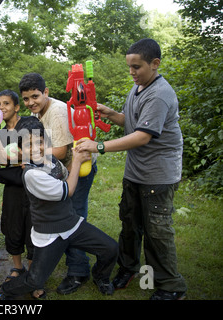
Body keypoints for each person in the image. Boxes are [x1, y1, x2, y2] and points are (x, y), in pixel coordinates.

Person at [76, 38, 187, 300]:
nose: (132, 72)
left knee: (157, 232)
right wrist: (111, 113)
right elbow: (134, 122)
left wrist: (98, 146)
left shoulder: (160, 93)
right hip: (135, 173)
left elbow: (142, 136)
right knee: (130, 224)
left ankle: (171, 287)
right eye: (129, 67)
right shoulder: (138, 87)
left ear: (155, 63)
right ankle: (128, 269)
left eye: (136, 67)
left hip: (158, 176)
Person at [0, 120, 118, 299]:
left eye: (40, 141)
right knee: (35, 281)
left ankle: (101, 277)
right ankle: (5, 290)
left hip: (71, 223)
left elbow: (66, 175)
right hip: (50, 233)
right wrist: (77, 161)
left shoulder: (51, 159)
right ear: (21, 149)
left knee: (110, 248)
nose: (37, 148)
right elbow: (66, 191)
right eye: (29, 144)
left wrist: (79, 154)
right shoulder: (31, 174)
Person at [19, 73, 97, 294]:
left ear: (46, 92)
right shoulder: (40, 111)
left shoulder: (57, 111)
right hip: (61, 169)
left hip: (78, 167)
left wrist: (30, 155)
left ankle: (78, 271)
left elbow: (62, 151)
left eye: (35, 96)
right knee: (64, 215)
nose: (31, 103)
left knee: (73, 217)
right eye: (26, 99)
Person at [0, 89, 38, 283]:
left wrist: (8, 163)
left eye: (6, 104)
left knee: (33, 229)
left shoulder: (29, 125)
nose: (1, 108)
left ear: (16, 107)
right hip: (12, 190)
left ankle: (33, 273)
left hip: (33, 189)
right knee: (13, 227)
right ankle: (17, 267)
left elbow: (34, 156)